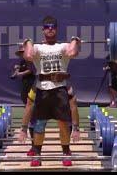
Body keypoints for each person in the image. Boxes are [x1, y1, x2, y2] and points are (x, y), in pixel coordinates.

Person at [21, 15, 81, 166]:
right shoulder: (37, 48)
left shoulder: (62, 47)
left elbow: (73, 53)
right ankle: (37, 154)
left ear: (56, 29)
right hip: (43, 91)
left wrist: (74, 39)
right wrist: (27, 42)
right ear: (42, 30)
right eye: (47, 27)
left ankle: (66, 153)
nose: (50, 29)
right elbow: (28, 56)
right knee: (40, 125)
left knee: (63, 124)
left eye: (53, 27)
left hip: (59, 90)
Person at [18, 83, 80, 157]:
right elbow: (29, 105)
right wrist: (24, 129)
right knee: (38, 122)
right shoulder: (37, 85)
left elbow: (73, 105)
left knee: (63, 122)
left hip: (59, 96)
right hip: (43, 97)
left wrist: (76, 128)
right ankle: (35, 150)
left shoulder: (65, 85)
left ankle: (66, 151)